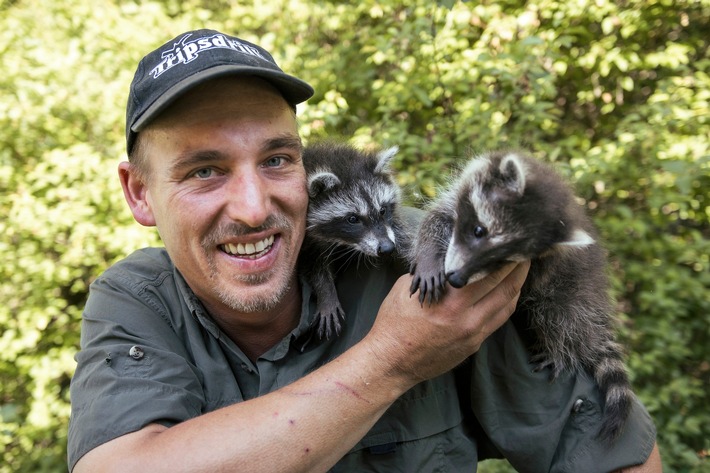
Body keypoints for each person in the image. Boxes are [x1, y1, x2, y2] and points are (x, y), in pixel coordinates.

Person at [68, 29, 661, 472]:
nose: (252, 207)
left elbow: (617, 452)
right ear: (140, 192)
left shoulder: (432, 251)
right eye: (204, 170)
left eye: (277, 160)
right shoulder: (135, 300)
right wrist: (395, 357)